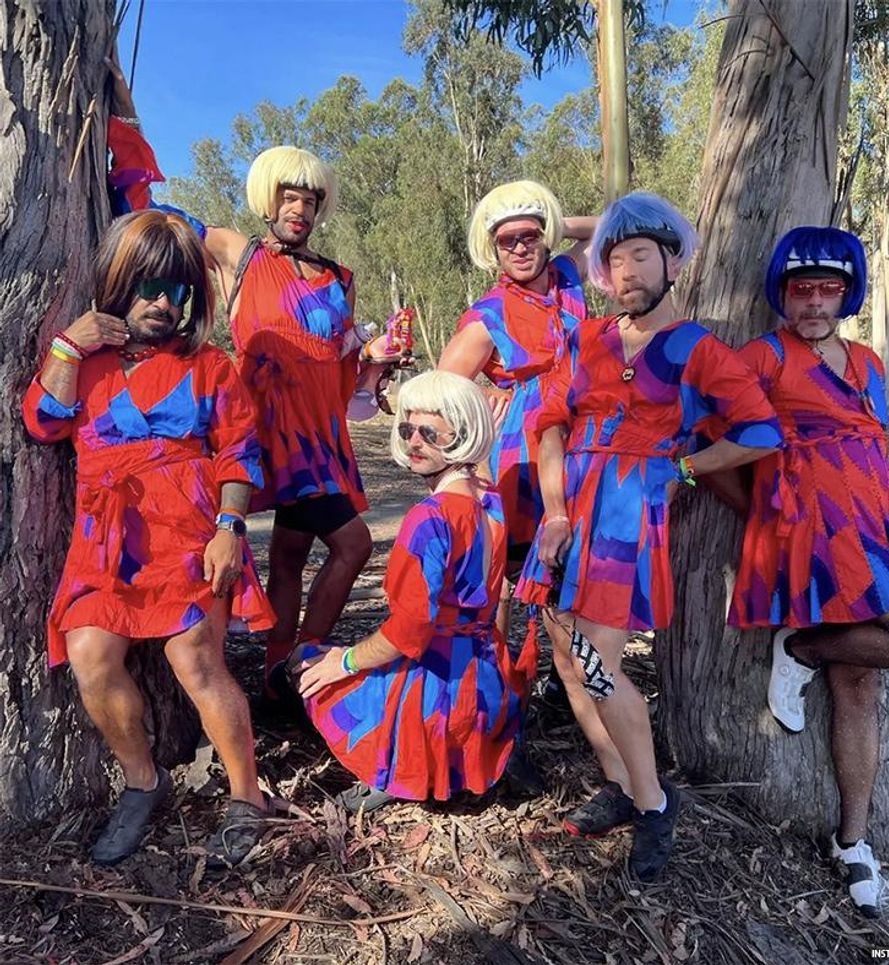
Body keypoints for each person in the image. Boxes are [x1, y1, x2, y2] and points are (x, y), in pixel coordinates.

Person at [515, 192, 783, 881]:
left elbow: (759, 432)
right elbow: (548, 423)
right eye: (615, 258)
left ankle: (658, 803)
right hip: (568, 513)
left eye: (640, 254)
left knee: (597, 661)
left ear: (672, 262)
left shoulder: (697, 349)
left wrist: (684, 468)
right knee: (567, 660)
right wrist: (551, 510)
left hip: (629, 521)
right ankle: (621, 784)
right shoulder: (586, 341)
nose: (627, 270)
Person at [104, 60, 379, 688]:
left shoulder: (340, 277)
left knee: (290, 555)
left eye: (309, 200)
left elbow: (339, 357)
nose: (299, 210)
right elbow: (156, 214)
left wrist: (373, 361)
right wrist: (124, 118)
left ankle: (281, 671)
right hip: (271, 429)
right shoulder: (239, 252)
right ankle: (312, 658)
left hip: (325, 433)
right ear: (269, 199)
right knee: (355, 544)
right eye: (288, 197)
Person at [22, 210, 275, 867]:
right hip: (104, 544)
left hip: (192, 536)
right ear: (118, 280)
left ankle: (247, 796)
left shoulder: (210, 365)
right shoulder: (88, 361)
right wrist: (66, 349)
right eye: (150, 286)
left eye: (179, 290)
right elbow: (45, 423)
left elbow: (240, 452)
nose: (164, 303)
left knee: (197, 659)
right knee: (90, 656)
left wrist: (230, 526)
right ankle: (142, 782)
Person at [729, 226, 889, 917]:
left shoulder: (868, 363)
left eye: (828, 287)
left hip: (874, 537)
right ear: (784, 292)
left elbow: (875, 451)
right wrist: (764, 516)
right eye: (802, 288)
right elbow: (705, 443)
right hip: (811, 545)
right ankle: (801, 644)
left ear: (846, 291)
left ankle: (853, 841)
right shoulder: (763, 357)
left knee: (859, 684)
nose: (814, 300)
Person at [285, 371, 536, 811]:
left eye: (430, 431)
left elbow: (409, 634)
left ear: (462, 433)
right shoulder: (490, 499)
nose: (414, 441)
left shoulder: (430, 518)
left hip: (434, 689)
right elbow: (495, 599)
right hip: (485, 681)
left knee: (308, 664)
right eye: (407, 429)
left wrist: (339, 663)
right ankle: (475, 752)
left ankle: (392, 766)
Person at [438, 180, 595, 726]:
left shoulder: (569, 279)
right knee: (510, 581)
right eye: (507, 241)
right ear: (494, 250)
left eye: (531, 235)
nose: (521, 248)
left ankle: (570, 686)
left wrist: (549, 214)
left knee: (571, 576)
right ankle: (502, 702)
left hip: (583, 449)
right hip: (520, 462)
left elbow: (612, 227)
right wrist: (487, 393)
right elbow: (439, 391)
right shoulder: (489, 313)